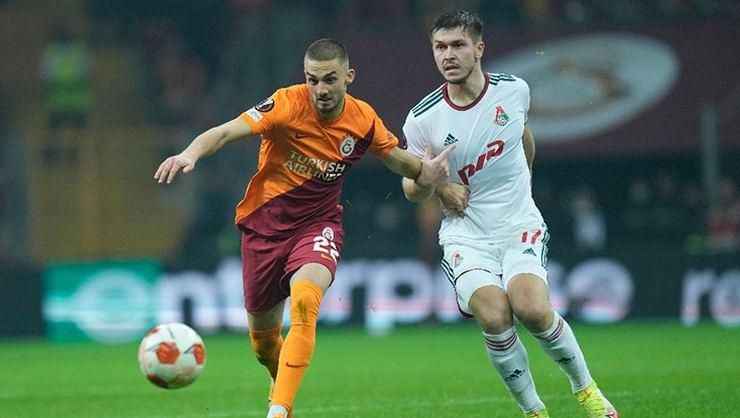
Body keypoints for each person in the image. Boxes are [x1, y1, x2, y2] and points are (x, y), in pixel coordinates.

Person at [154, 38, 452, 418]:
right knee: (263, 346)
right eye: (313, 80)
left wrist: (429, 173)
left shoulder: (362, 119)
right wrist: (190, 153)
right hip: (263, 230)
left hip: (318, 225)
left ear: (349, 76)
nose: (320, 89)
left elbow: (394, 158)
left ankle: (279, 410)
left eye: (329, 79)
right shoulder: (286, 104)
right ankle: (280, 391)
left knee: (305, 302)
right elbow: (226, 132)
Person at [400, 11, 618, 418]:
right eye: (440, 47)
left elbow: (522, 136)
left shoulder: (515, 90)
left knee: (532, 309)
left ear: (479, 48)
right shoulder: (422, 118)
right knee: (494, 315)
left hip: (518, 224)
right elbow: (411, 189)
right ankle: (534, 411)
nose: (448, 55)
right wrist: (437, 185)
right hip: (466, 235)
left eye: (458, 45)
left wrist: (524, 188)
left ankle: (586, 390)